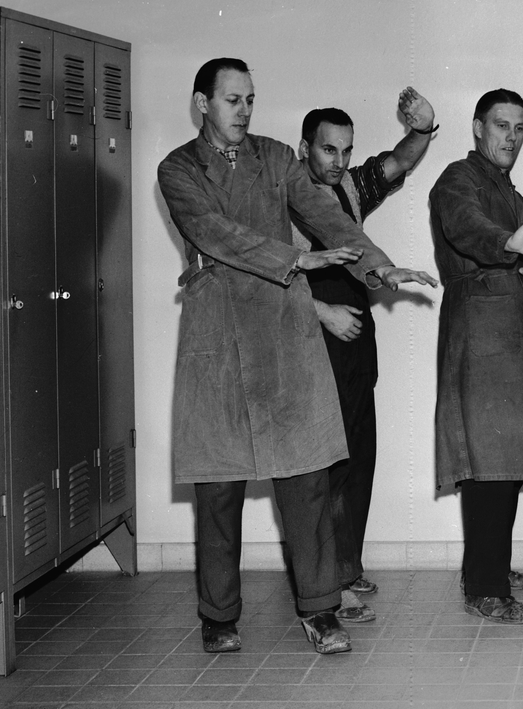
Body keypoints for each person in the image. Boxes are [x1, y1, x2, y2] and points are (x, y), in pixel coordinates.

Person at [158, 58, 435, 655]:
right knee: (219, 487)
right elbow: (211, 231)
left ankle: (320, 609)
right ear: (203, 103)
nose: (244, 111)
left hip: (283, 333)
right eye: (232, 100)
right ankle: (219, 616)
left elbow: (328, 216)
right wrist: (294, 260)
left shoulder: (277, 157)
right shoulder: (178, 168)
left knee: (307, 477)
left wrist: (379, 267)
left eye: (250, 99)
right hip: (217, 333)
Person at [291, 89, 437, 624]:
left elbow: (398, 162)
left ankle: (346, 567)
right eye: (328, 150)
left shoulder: (348, 189)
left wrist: (422, 128)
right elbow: (269, 279)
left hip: (355, 347)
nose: (339, 161)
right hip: (312, 346)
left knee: (357, 461)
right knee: (324, 467)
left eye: (347, 150)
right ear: (304, 148)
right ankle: (325, 584)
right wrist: (322, 313)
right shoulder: (282, 201)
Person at [428, 89, 523, 624]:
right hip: (480, 334)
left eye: (520, 127)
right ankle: (485, 588)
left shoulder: (511, 193)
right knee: (487, 462)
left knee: (505, 461)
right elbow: (468, 227)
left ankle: (491, 568)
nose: (512, 136)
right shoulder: (457, 180)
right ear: (477, 128)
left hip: (512, 336)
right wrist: (513, 244)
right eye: (502, 125)